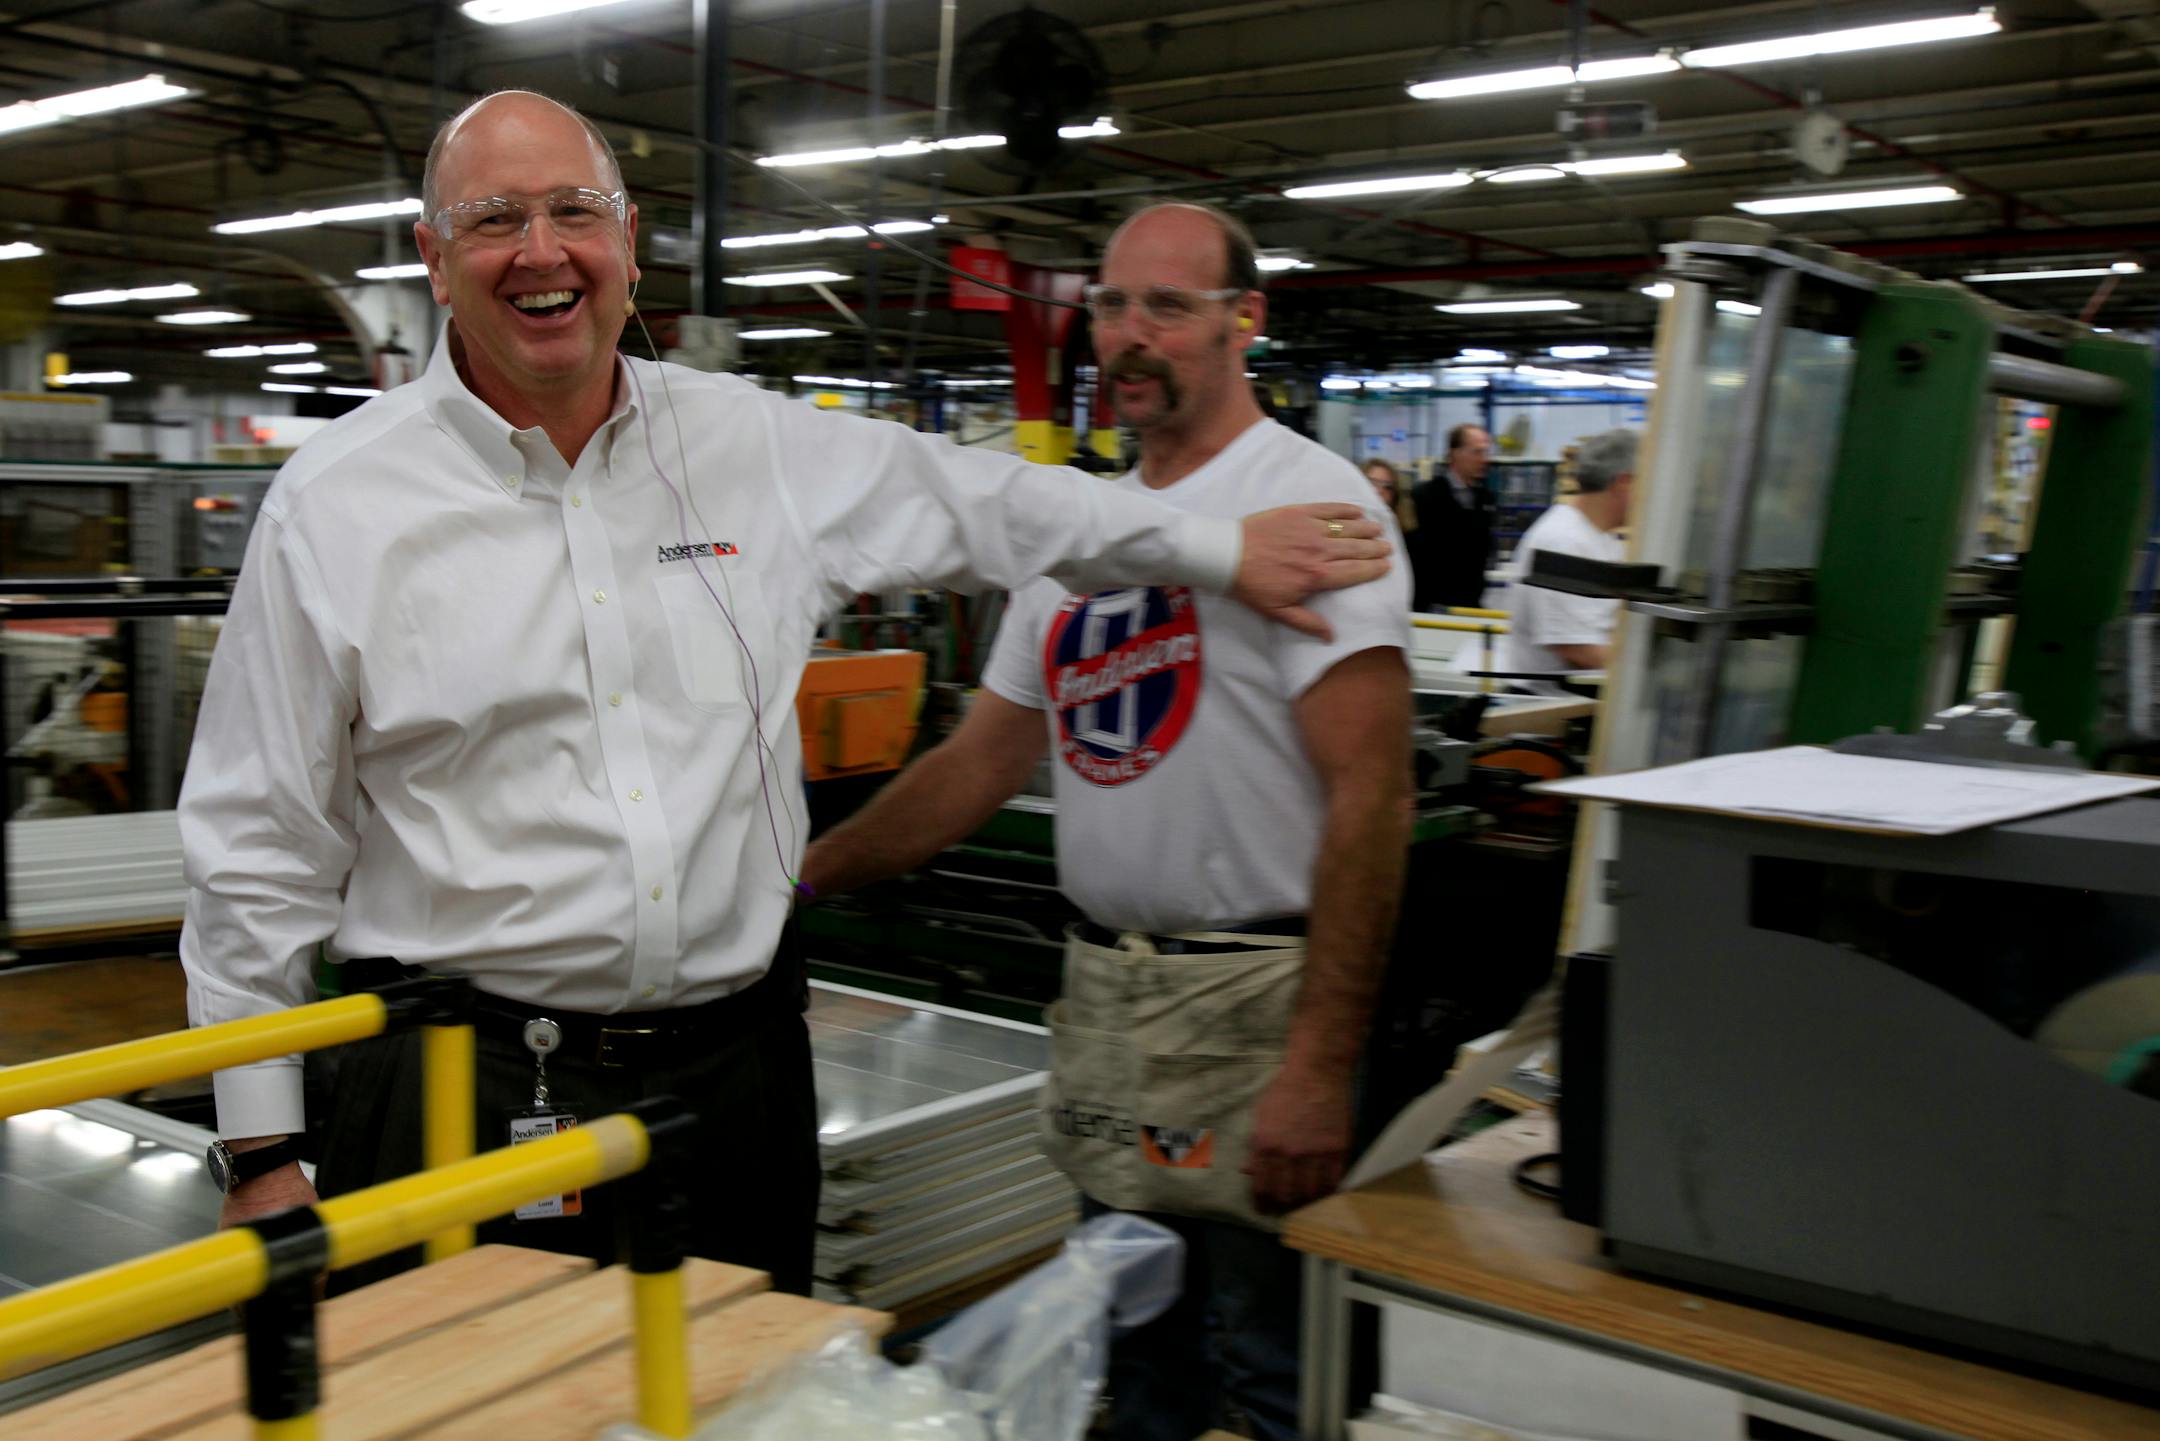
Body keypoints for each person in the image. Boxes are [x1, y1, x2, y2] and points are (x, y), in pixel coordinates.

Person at [176, 93, 1393, 1292]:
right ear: (437, 262)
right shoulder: (339, 502)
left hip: (733, 1083)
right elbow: (257, 841)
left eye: (572, 212)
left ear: (629, 241)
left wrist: (1220, 549)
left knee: (752, 1405)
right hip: (467, 1082)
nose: (542, 252)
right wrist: (266, 1146)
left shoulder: (754, 449)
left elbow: (1005, 505)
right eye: (494, 221)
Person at [801, 201, 1412, 1440]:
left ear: (1246, 319)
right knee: (1130, 1356)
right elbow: (978, 762)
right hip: (1113, 1009)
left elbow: (1375, 796)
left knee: (1273, 1376)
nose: (1131, 339)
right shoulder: (1079, 531)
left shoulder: (1314, 506)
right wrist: (798, 878)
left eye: (1169, 308)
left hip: (1255, 1004)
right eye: (1113, 308)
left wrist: (1317, 1067)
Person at [1484, 427, 1636, 693]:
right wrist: (1649, 673)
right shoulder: (1562, 541)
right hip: (1548, 712)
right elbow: (1578, 649)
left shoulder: (1601, 538)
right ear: (1623, 483)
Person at [1410, 422, 1495, 610]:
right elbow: (1417, 555)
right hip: (1433, 607)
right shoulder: (1425, 497)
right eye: (1477, 452)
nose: (1484, 460)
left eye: (1486, 452)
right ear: (1454, 454)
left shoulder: (1485, 499)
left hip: (1471, 605)